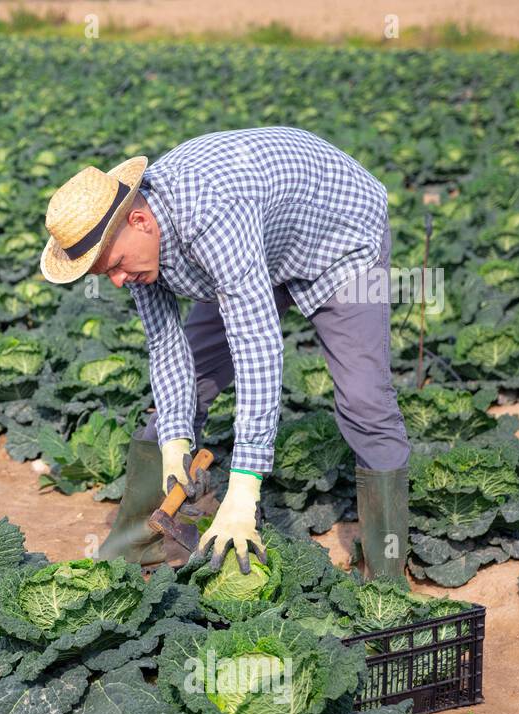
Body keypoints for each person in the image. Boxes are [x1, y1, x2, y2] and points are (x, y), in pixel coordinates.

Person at [40, 127, 410, 578]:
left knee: (364, 398)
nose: (116, 281)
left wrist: (245, 488)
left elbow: (257, 345)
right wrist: (175, 441)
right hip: (260, 246)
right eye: (105, 272)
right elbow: (166, 344)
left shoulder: (211, 214)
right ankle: (134, 552)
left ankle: (386, 581)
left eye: (115, 265)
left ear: (139, 221)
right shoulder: (138, 253)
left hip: (337, 236)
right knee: (188, 387)